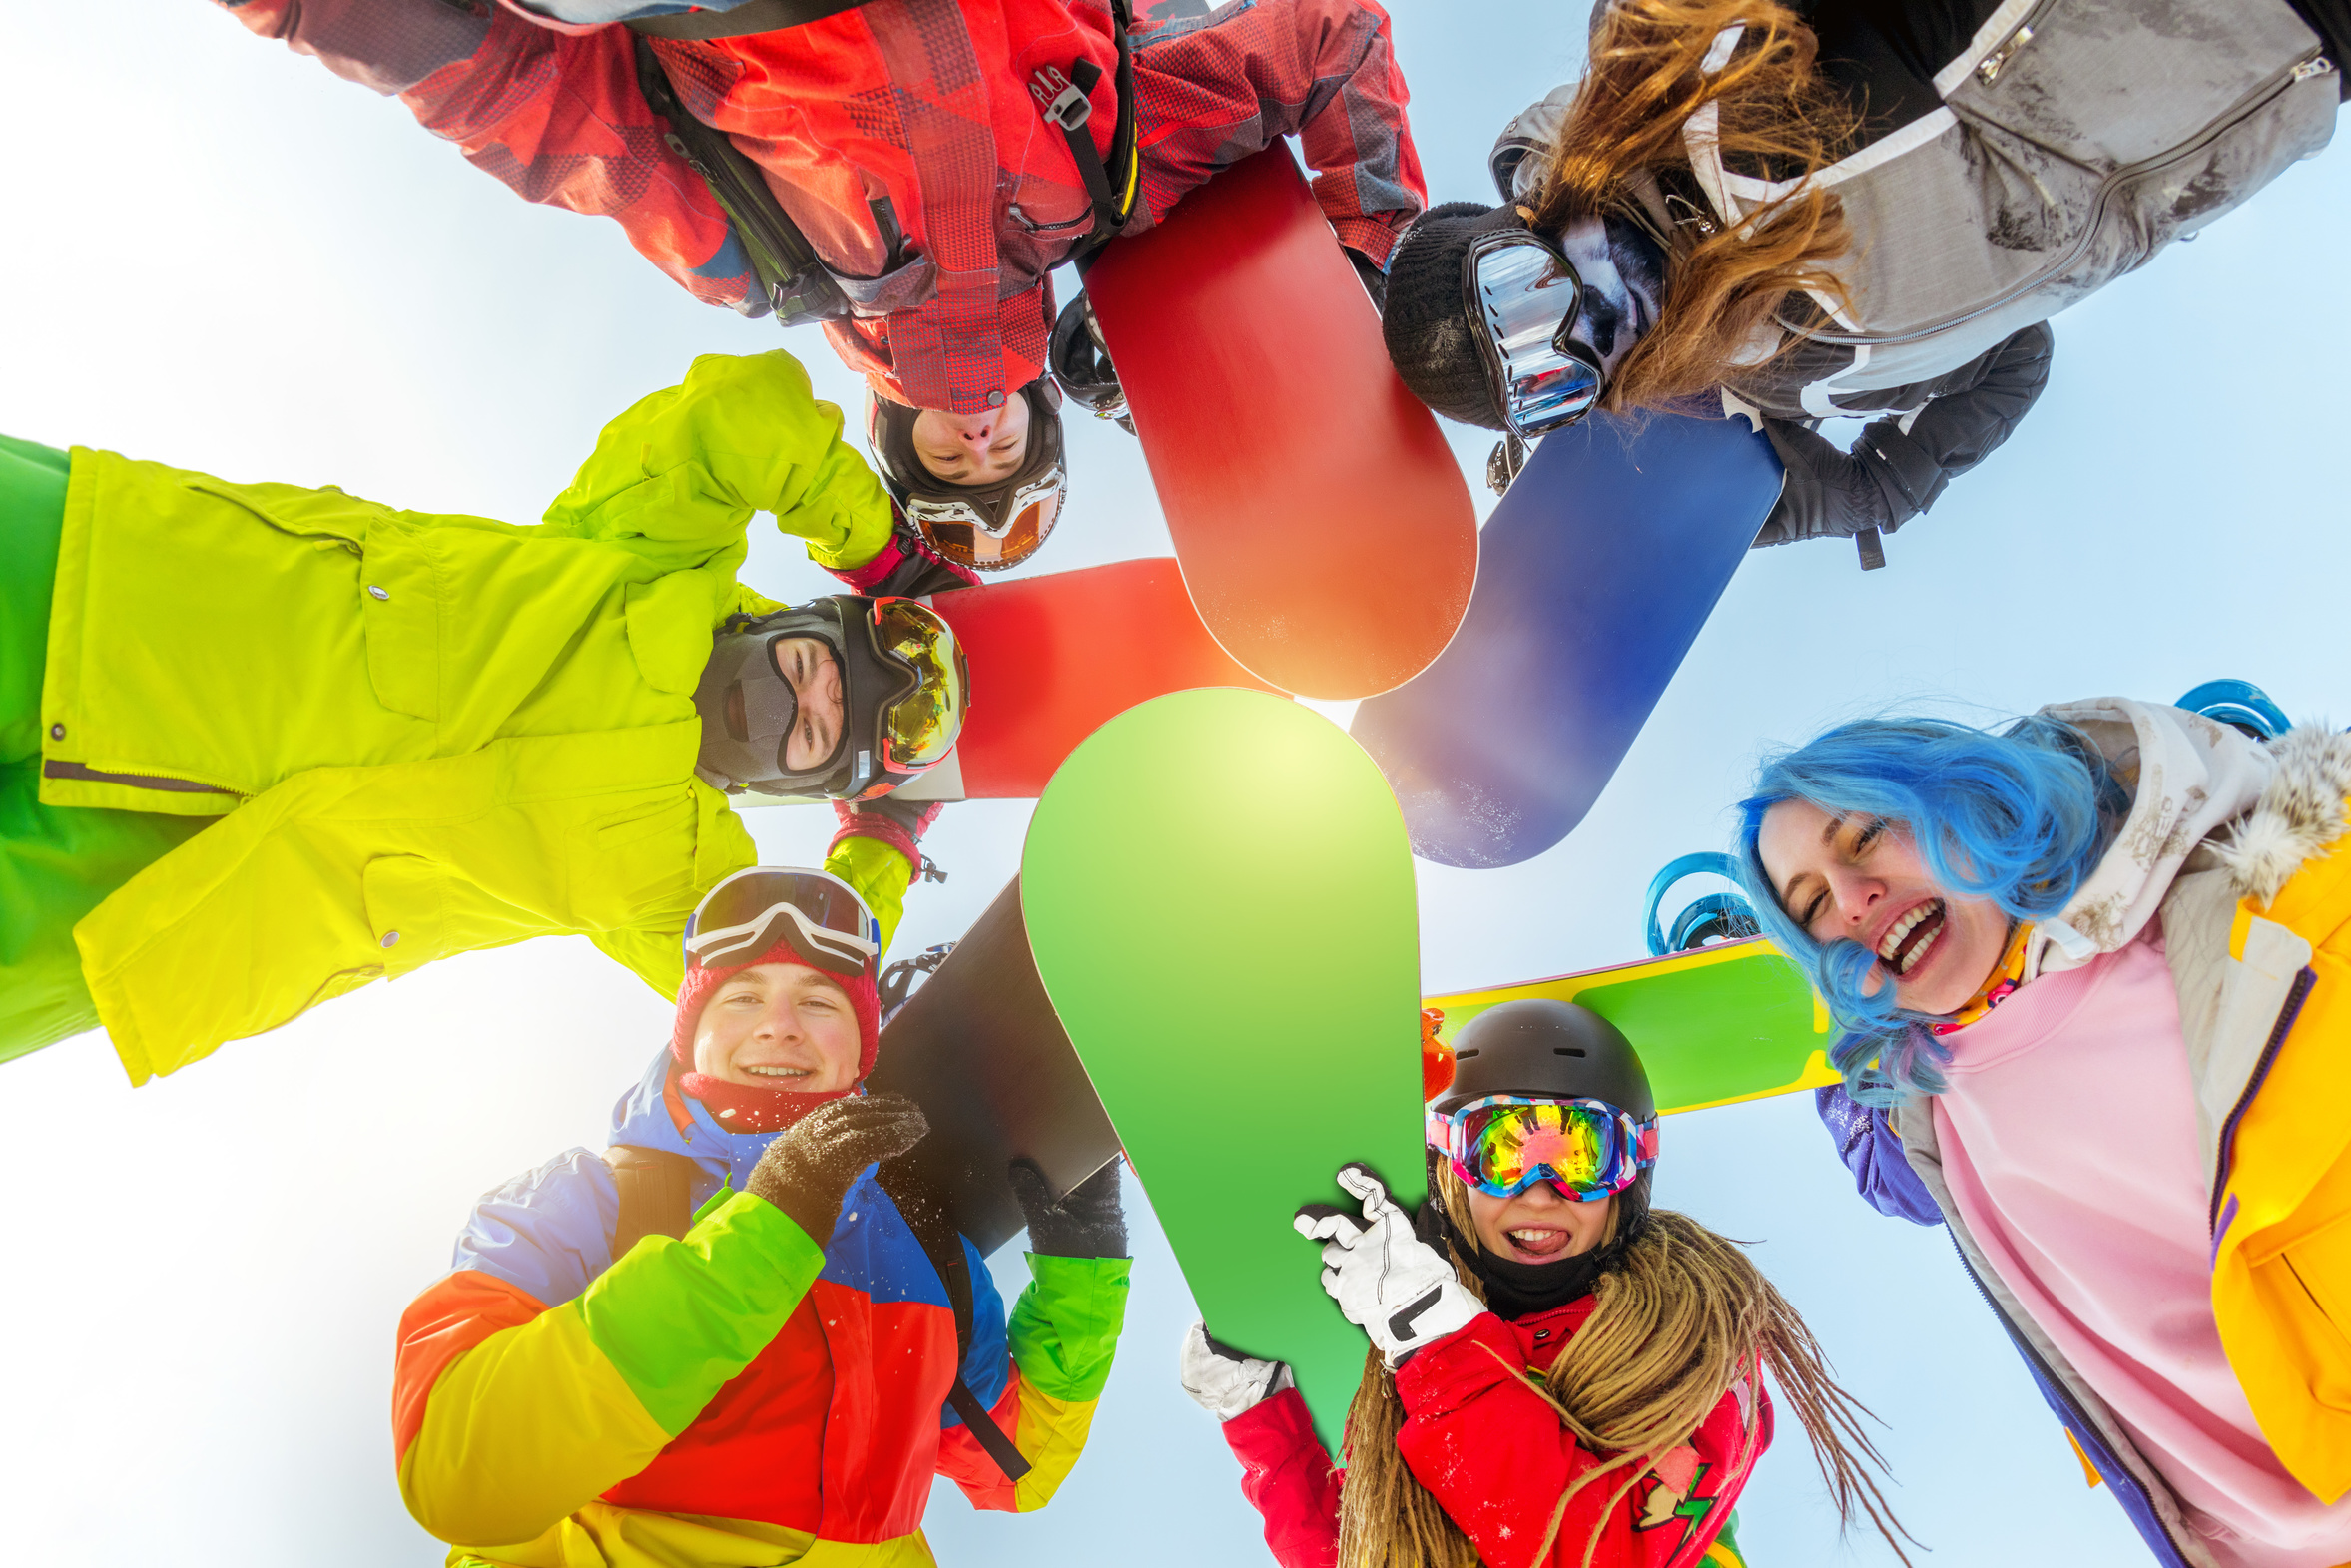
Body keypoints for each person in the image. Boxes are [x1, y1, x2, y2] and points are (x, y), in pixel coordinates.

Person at [0, 348, 969, 1084]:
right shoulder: (646, 555)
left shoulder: (674, 876)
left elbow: (792, 993)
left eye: (811, 731)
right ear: (791, 618)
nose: (797, 699)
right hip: (112, 602)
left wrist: (881, 839)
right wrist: (879, 548)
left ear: (787, 782)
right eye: (812, 667)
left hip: (176, 908)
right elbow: (735, 418)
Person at [216, 0, 1429, 572]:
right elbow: (1332, 43)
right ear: (1040, 417)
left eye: (950, 463)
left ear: (897, 431)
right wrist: (1379, 262)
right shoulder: (1104, 183)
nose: (976, 433)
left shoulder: (770, 264)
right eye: (1002, 452)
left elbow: (555, 120)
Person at [1380, 0, 2351, 567]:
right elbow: (2017, 355)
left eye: (1518, 296)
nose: (1576, 331)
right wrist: (1866, 490)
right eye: (1551, 380)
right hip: (2293, 68)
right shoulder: (1804, 373)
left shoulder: (1671, 56)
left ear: (1520, 220)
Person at [1736, 697, 2351, 1567]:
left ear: (1959, 796)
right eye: (1809, 906)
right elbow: (1872, 1161)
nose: (1851, 897)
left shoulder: (2224, 923)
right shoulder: (1929, 1119)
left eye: (1865, 835)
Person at [392, 863, 1132, 1565]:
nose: (780, 1025)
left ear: (860, 1051)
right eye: (741, 997)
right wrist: (768, 1225)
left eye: (817, 1001)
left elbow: (1014, 1467)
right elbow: (458, 1472)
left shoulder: (926, 1252)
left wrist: (1081, 1267)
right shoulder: (573, 1207)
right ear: (692, 1039)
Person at [1178, 999, 1906, 1568]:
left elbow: (1600, 1550)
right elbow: (1369, 1544)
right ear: (1450, 1172)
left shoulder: (1693, 1349)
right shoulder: (1412, 1363)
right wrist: (1262, 1418)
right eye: (1499, 1149)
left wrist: (1431, 1332)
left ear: (1629, 1176)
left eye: (1580, 1152)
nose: (1540, 1189)